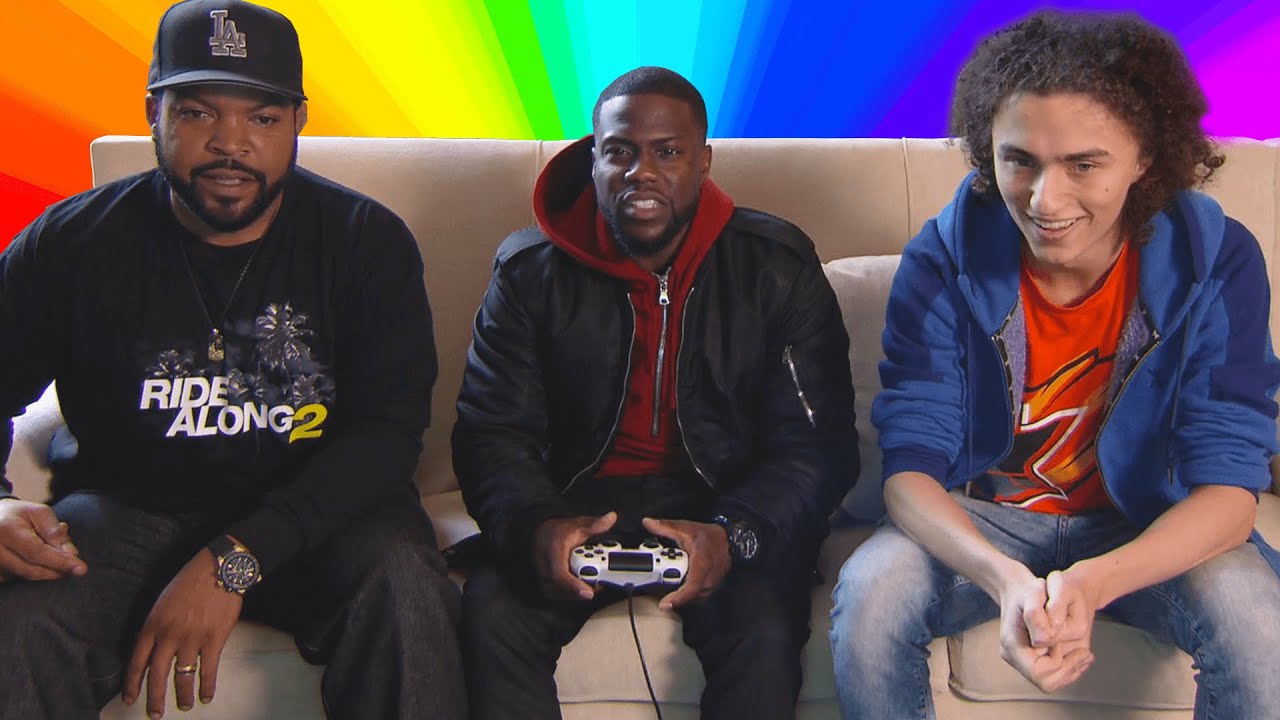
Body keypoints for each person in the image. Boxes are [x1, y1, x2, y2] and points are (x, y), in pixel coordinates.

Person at [0, 1, 465, 718]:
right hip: (128, 509)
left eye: (263, 118)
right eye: (197, 113)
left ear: (299, 121)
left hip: (319, 511)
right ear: (153, 112)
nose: (230, 143)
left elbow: (386, 435)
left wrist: (233, 559)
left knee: (406, 592)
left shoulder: (365, 243)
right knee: (21, 629)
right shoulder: (71, 244)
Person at [829, 10, 1280, 719]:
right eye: (1021, 161)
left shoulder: (1216, 259)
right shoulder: (942, 258)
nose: (1045, 200)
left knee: (1254, 618)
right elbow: (910, 471)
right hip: (986, 523)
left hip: (1145, 523)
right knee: (870, 597)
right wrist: (1003, 579)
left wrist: (1096, 582)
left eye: (1084, 165)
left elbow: (1228, 489)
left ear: (1145, 160)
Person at [452, 66, 859, 719]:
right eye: (619, 152)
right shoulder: (528, 272)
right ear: (593, 160)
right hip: (573, 505)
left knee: (763, 631)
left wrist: (736, 533)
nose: (641, 173)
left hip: (723, 503)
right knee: (492, 617)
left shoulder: (776, 266)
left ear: (703, 162)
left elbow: (817, 445)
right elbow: (492, 431)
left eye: (667, 152)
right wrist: (534, 525)